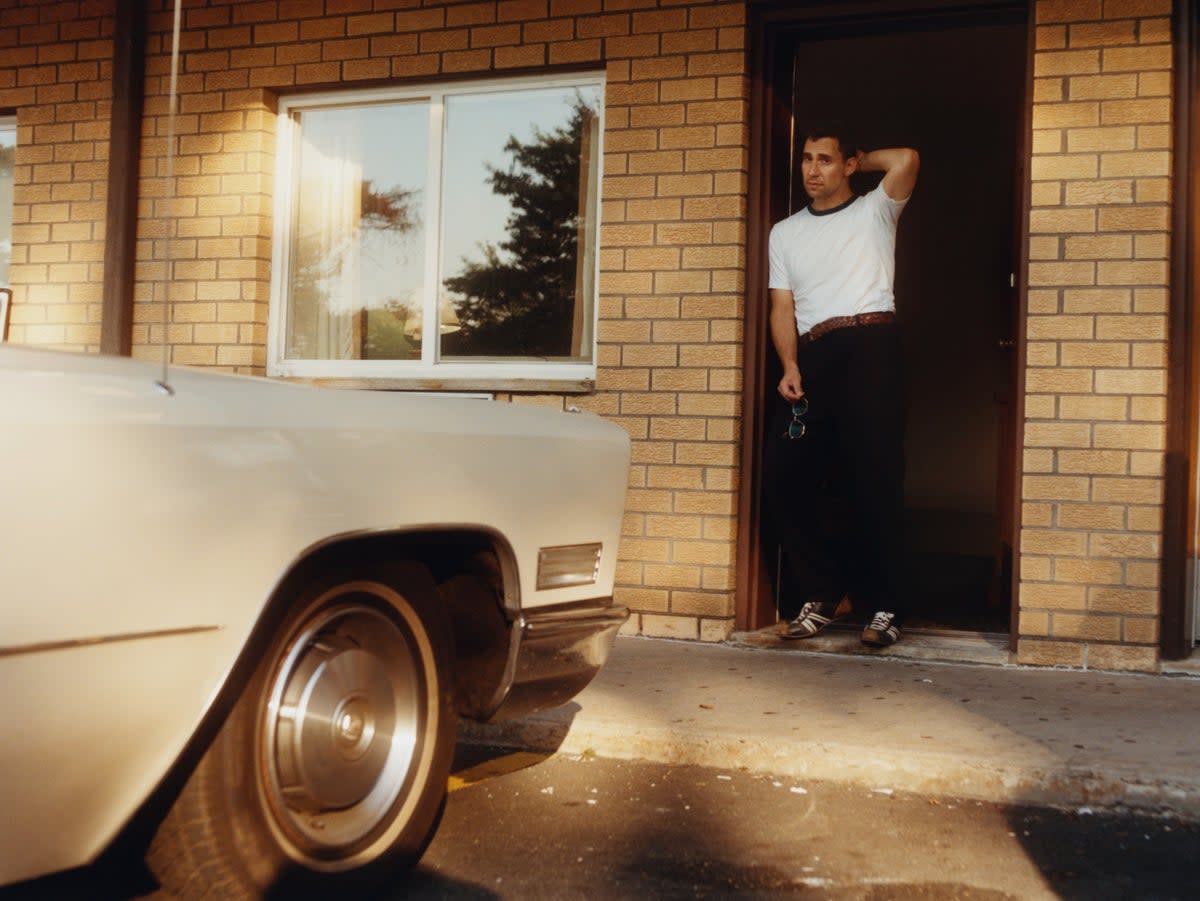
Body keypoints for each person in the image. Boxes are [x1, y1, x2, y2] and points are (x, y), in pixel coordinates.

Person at [765, 123, 919, 648]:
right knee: (789, 474)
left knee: (874, 478)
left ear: (848, 165)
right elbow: (781, 306)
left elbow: (906, 158)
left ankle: (885, 605)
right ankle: (824, 595)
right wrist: (789, 365)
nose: (812, 170)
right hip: (814, 355)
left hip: (871, 346)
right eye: (807, 159)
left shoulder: (876, 209)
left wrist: (859, 156)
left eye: (826, 160)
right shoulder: (784, 233)